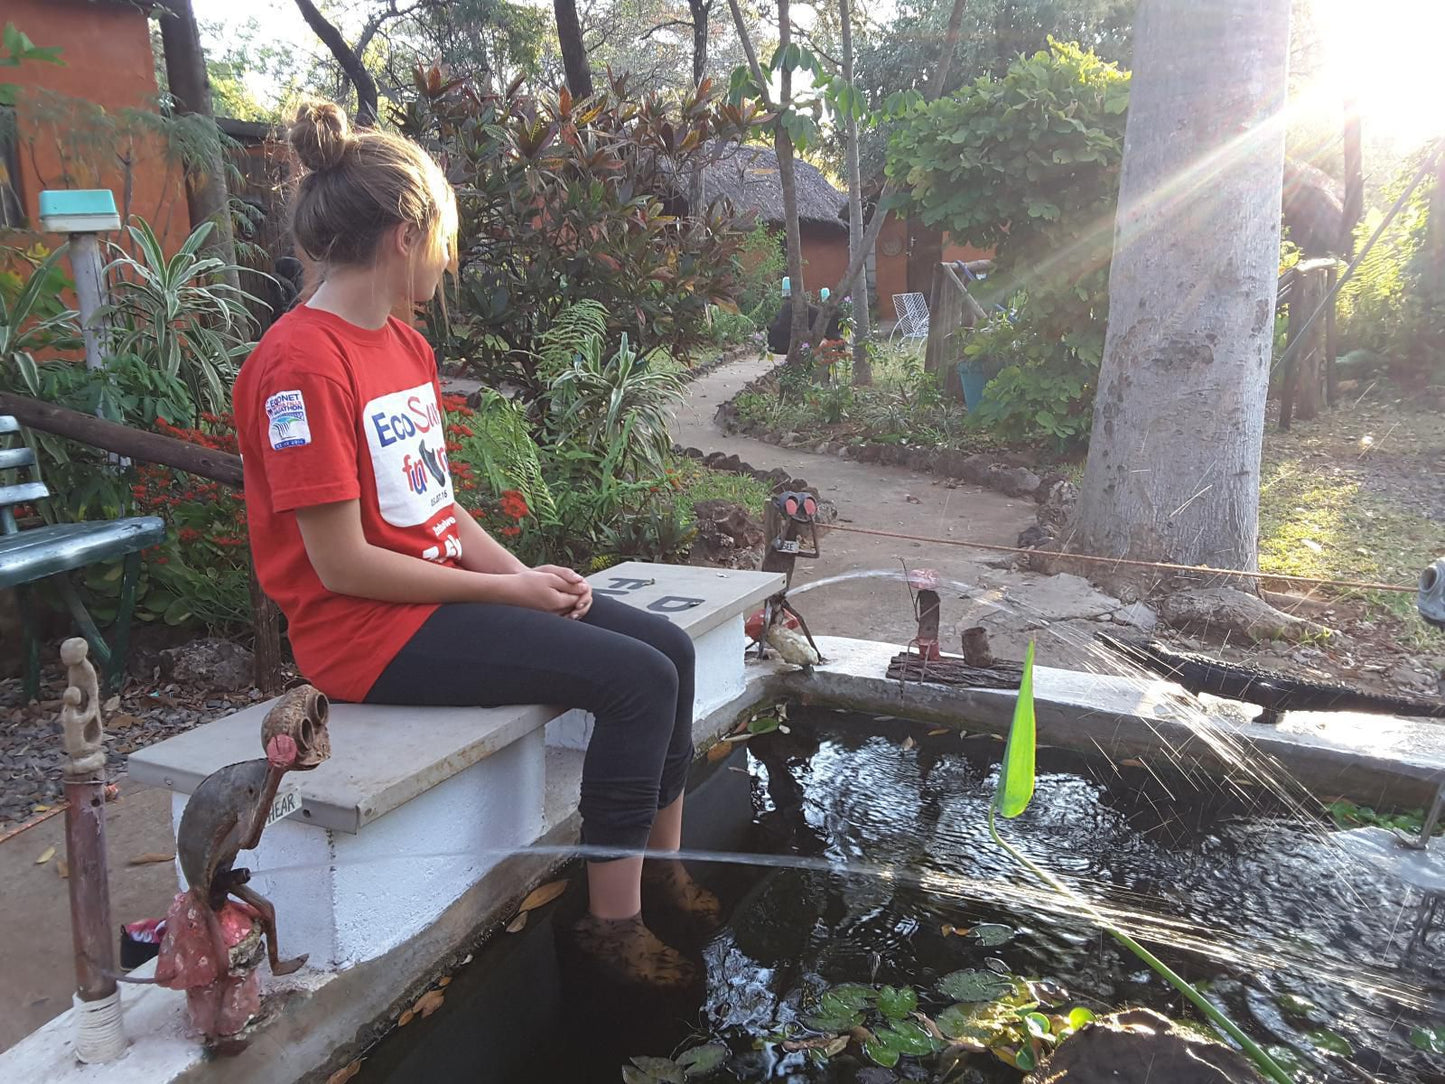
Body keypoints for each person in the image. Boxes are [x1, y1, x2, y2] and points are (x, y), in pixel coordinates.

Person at [234, 102, 717, 988]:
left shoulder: (403, 346)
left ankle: (665, 866)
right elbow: (340, 565)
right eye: (442, 240)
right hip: (365, 637)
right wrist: (507, 597)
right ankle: (613, 927)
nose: (447, 261)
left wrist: (523, 574)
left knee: (672, 649)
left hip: (435, 605)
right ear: (405, 232)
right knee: (633, 681)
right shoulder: (299, 365)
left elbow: (436, 510)